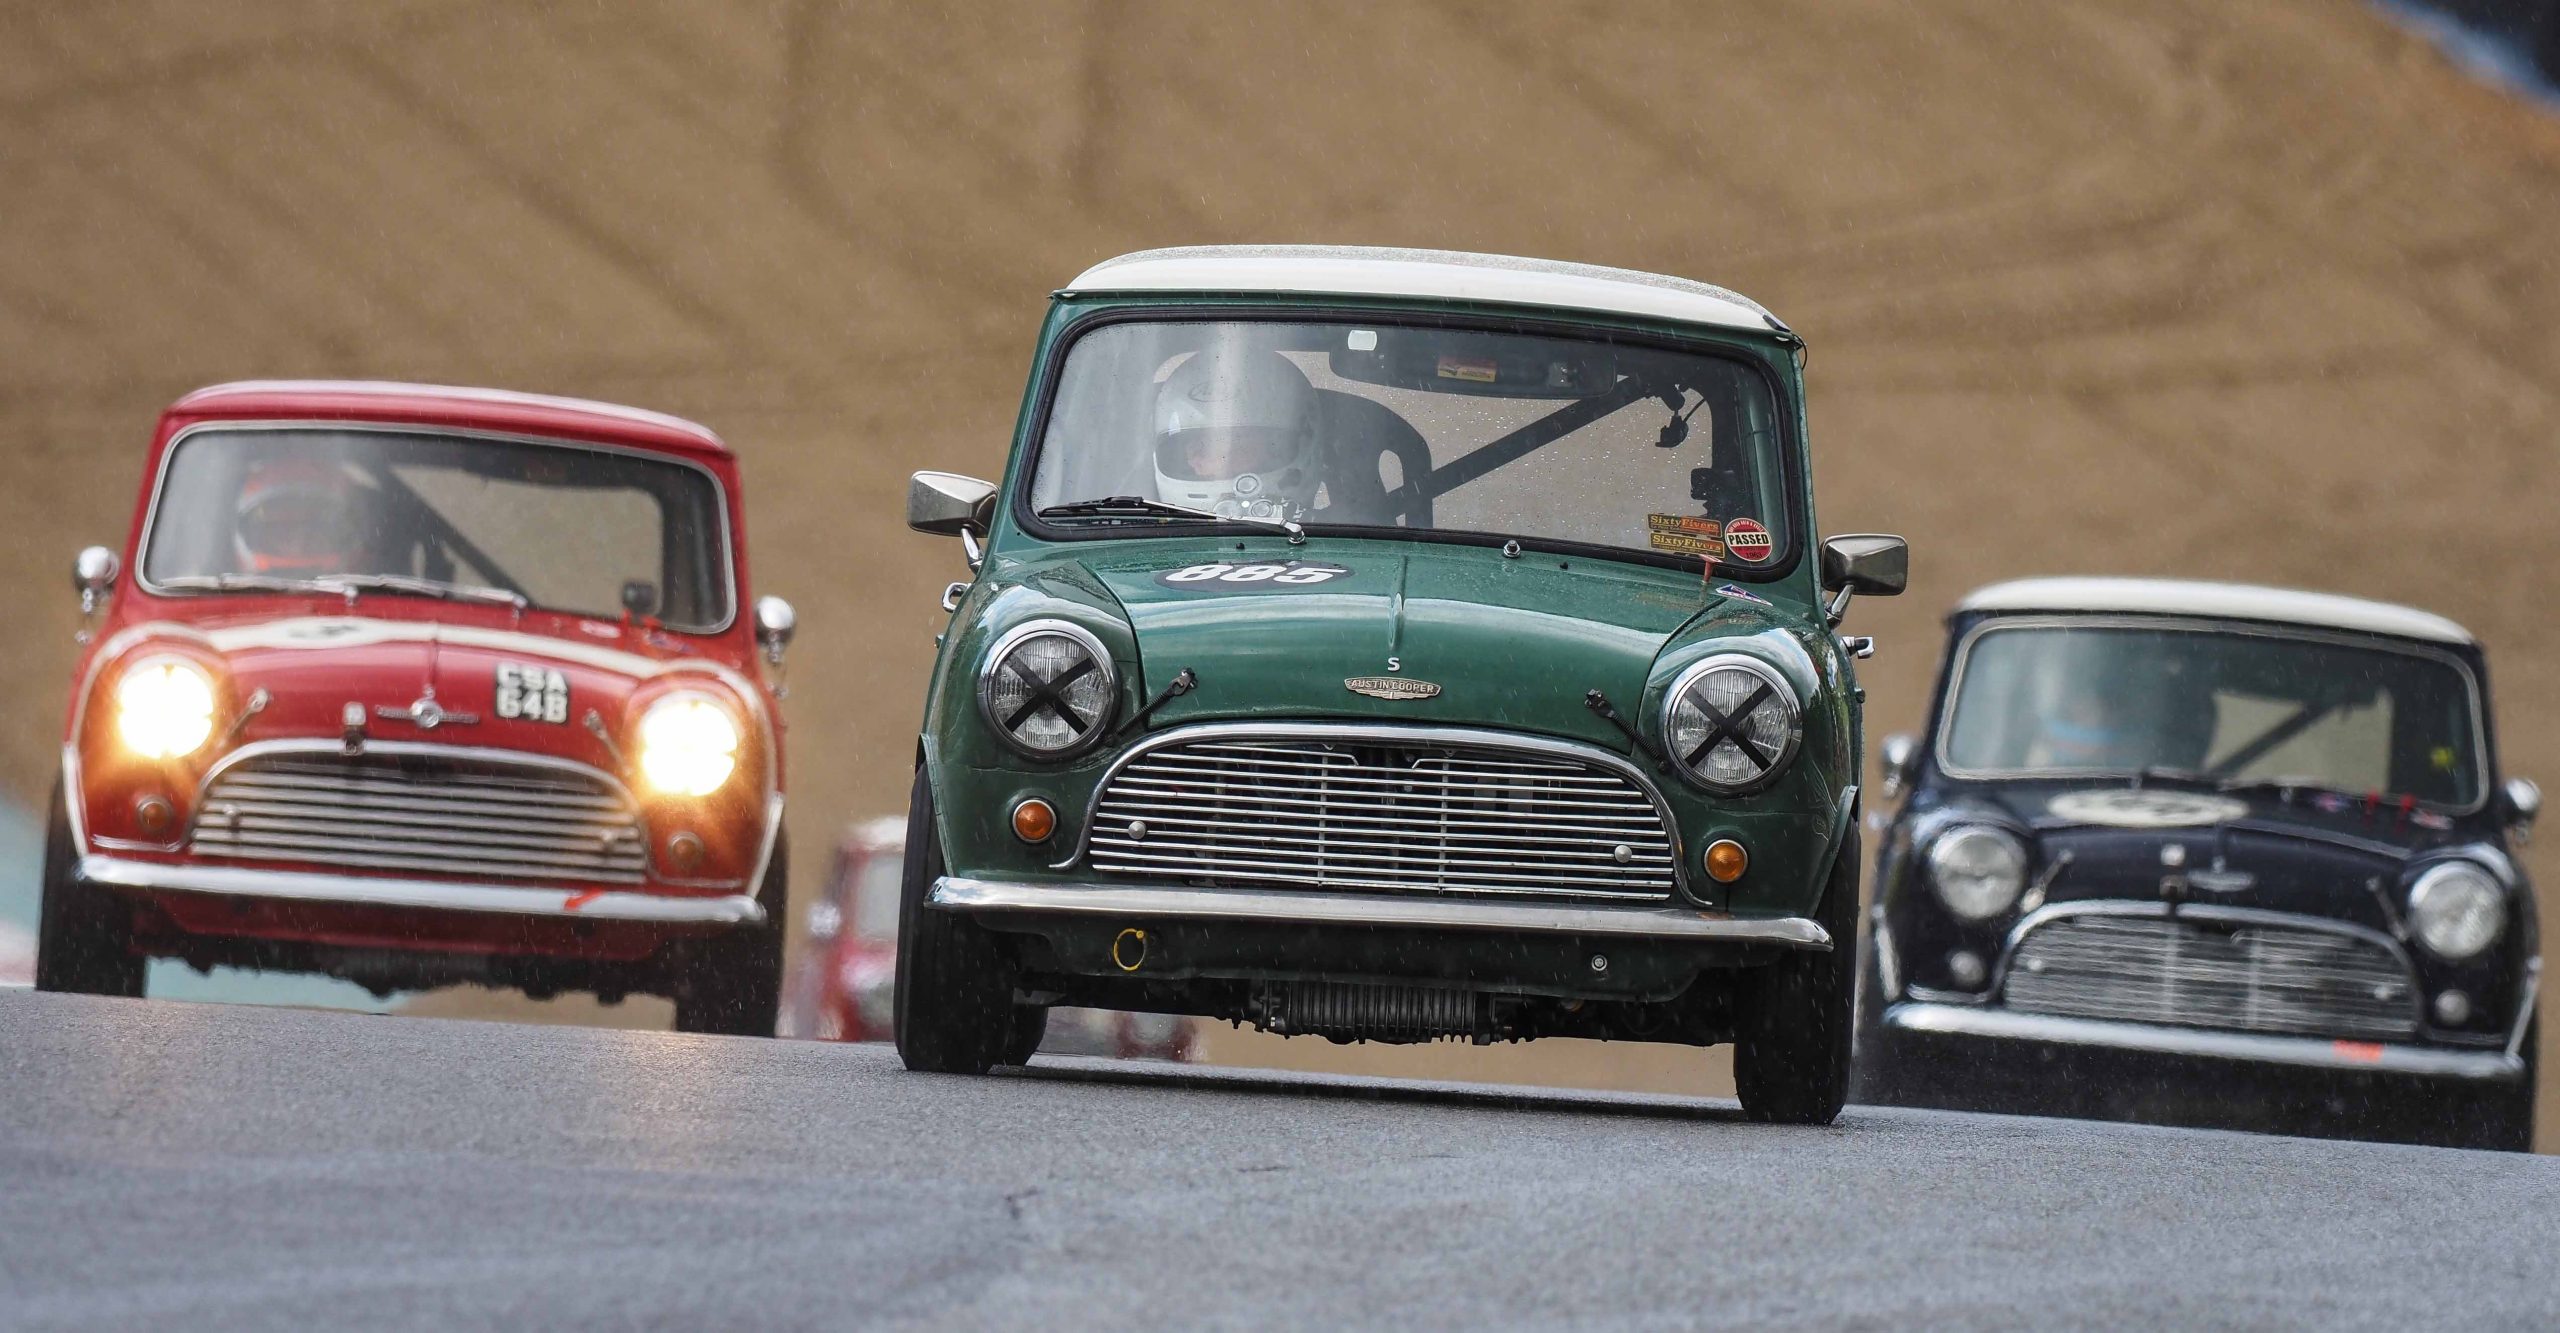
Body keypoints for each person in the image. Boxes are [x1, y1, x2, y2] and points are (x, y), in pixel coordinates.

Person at [1151, 348, 1325, 521]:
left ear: (1277, 447)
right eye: (1190, 441)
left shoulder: (1344, 528)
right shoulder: (1141, 529)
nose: (1194, 457)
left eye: (1228, 438)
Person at [231, 456, 376, 578]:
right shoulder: (215, 593)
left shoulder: (383, 595)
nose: (296, 545)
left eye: (314, 531)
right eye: (280, 532)